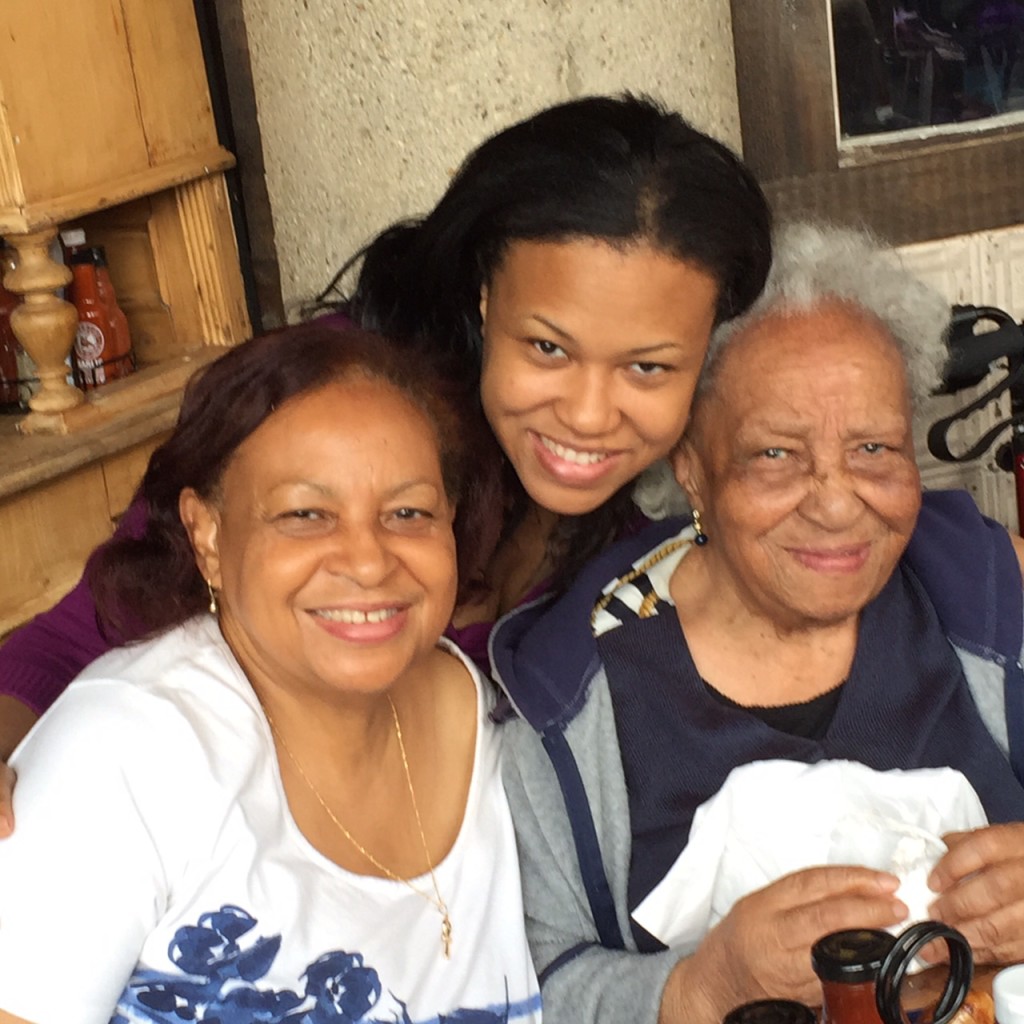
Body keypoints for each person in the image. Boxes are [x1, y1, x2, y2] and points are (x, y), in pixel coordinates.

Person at [0, 92, 772, 792]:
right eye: (548, 349)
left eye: (647, 367)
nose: (591, 415)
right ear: (483, 296)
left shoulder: (640, 544)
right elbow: (68, 641)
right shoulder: (325, 408)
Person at [491, 222, 1024, 1024]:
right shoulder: (569, 700)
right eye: (776, 455)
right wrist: (701, 990)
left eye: (876, 447)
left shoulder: (988, 594)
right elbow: (525, 982)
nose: (839, 502)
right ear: (692, 467)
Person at [0, 321, 542, 1024]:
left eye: (408, 512)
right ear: (210, 536)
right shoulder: (129, 754)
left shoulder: (483, 717)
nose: (369, 560)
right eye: (305, 514)